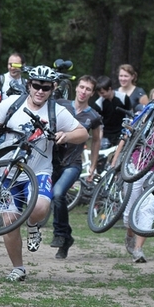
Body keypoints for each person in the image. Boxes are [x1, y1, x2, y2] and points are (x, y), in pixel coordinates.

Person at [0, 65, 87, 282]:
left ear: (52, 88)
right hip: (6, 173)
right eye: (36, 85)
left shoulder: (57, 111)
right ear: (29, 85)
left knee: (39, 208)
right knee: (9, 221)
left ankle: (32, 225)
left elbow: (82, 133)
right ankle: (18, 268)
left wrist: (65, 136)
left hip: (38, 171)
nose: (40, 91)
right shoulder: (12, 104)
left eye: (45, 87)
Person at [51, 76, 102, 259]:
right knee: (56, 198)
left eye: (88, 89)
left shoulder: (93, 116)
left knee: (58, 193)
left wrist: (93, 167)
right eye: (81, 87)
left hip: (73, 164)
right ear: (76, 88)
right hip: (52, 162)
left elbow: (96, 141)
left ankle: (59, 234)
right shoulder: (60, 104)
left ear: (92, 93)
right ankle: (67, 237)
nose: (83, 91)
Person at [91, 76, 130, 148]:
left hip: (122, 131)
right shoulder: (98, 104)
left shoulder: (123, 97)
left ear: (109, 89)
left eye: (102, 93)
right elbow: (100, 125)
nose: (101, 95)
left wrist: (128, 132)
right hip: (106, 134)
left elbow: (129, 115)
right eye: (99, 93)